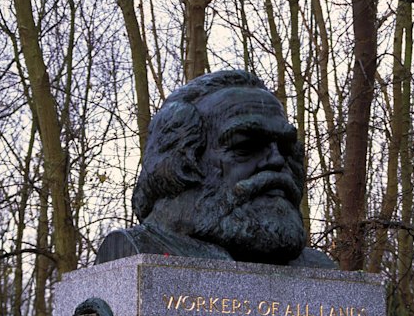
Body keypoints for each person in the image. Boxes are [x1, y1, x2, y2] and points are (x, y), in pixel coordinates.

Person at [96, 70, 333, 268]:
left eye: (285, 147)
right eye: (246, 146)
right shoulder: (137, 252)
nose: (276, 160)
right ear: (183, 162)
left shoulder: (319, 269)